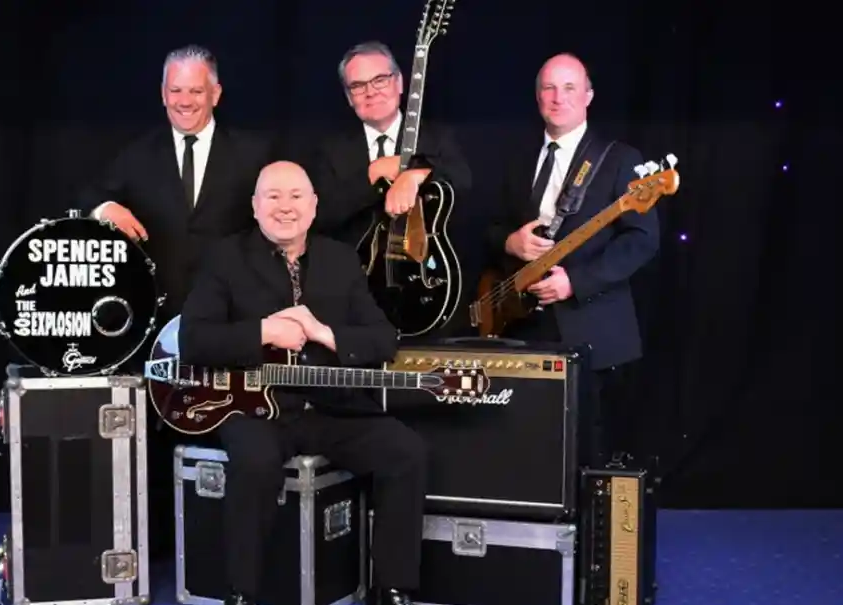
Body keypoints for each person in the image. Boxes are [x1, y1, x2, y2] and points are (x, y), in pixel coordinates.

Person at [178, 160, 452, 605]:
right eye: (274, 197)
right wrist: (263, 330)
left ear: (314, 206)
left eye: (297, 196)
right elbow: (193, 340)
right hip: (256, 411)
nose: (286, 207)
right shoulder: (226, 258)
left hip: (329, 409)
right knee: (255, 463)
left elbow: (382, 339)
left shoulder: (341, 259)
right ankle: (240, 602)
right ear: (255, 206)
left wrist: (326, 333)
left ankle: (391, 596)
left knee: (404, 451)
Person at [484, 52, 660, 463]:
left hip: (594, 331)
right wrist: (510, 242)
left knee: (589, 454)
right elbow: (485, 228)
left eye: (569, 88)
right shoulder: (516, 156)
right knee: (527, 451)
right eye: (548, 87)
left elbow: (641, 241)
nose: (557, 97)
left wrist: (574, 283)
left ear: (588, 96)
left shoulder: (621, 159)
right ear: (537, 97)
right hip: (523, 328)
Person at [76, 44, 276, 319]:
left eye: (196, 91)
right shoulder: (138, 154)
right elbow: (87, 197)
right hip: (155, 314)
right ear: (163, 94)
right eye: (176, 90)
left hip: (233, 316)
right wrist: (106, 208)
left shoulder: (254, 154)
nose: (185, 101)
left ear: (215, 94)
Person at [310, 41, 472, 247]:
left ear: (399, 83)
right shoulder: (330, 150)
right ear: (349, 97)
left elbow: (464, 183)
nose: (371, 92)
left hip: (423, 270)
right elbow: (321, 215)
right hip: (355, 273)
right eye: (358, 86)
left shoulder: (438, 137)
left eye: (380, 80)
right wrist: (372, 176)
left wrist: (415, 174)